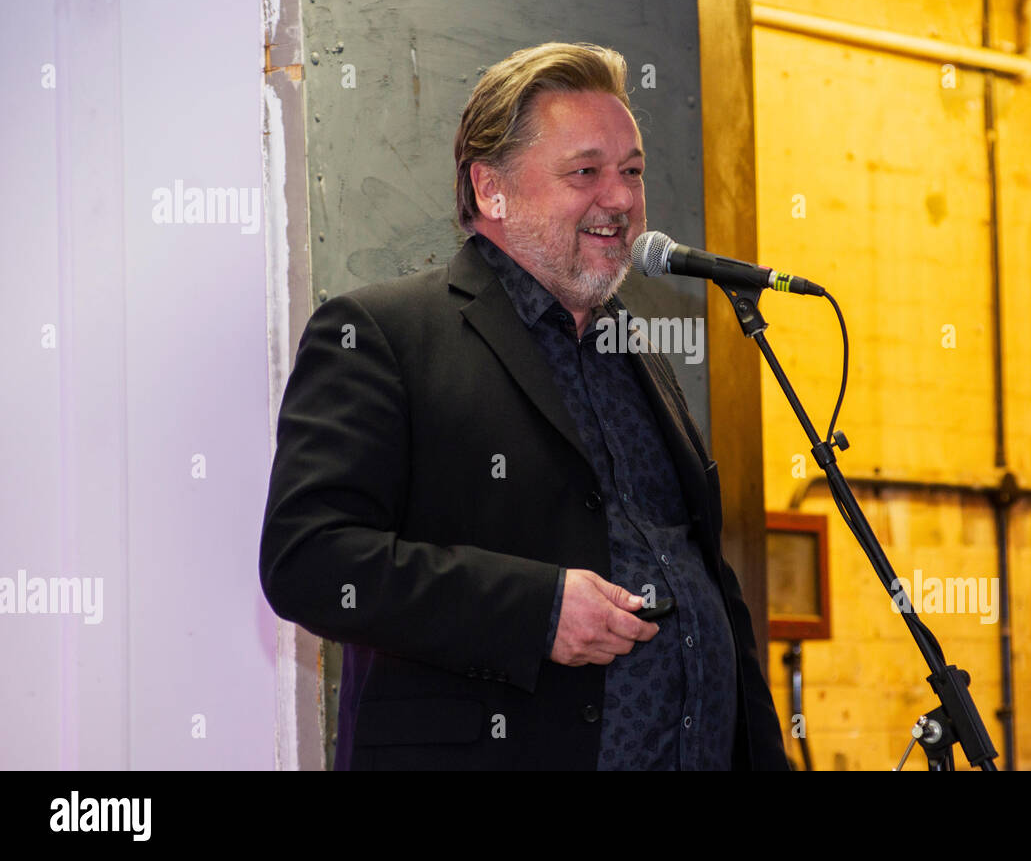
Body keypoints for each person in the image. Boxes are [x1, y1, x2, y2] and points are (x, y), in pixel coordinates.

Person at [259, 41, 788, 770]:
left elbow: (706, 587)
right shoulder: (385, 335)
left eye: (632, 172)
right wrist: (536, 611)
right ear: (490, 189)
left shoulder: (637, 355)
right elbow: (309, 562)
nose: (623, 199)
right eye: (586, 172)